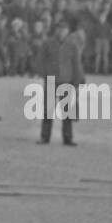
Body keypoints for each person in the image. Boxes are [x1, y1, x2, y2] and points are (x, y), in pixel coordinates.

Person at [35, 16, 83, 146]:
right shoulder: (47, 43)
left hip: (67, 80)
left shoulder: (73, 45)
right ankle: (45, 136)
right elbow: (40, 60)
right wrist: (44, 74)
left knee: (67, 111)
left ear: (68, 31)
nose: (61, 31)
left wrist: (78, 81)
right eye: (59, 29)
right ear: (56, 30)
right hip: (51, 80)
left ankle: (68, 138)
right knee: (48, 110)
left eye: (64, 29)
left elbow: (77, 64)